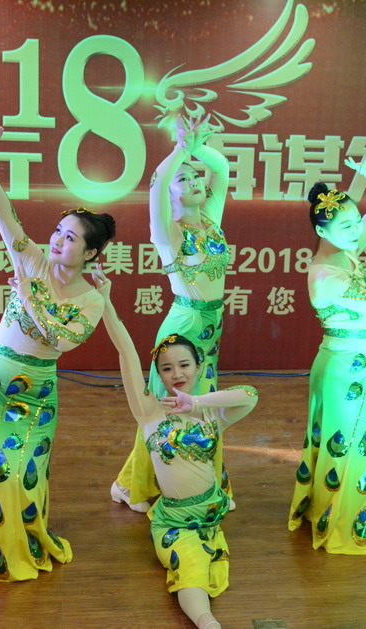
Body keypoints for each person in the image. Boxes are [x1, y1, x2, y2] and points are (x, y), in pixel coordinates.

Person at [0, 127, 116, 581]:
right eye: (58, 232)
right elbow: (4, 216)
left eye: (71, 238)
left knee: (25, 472)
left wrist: (30, 299)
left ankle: (24, 538)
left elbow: (61, 341)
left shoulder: (92, 299)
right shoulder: (31, 260)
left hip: (38, 392)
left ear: (90, 253)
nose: (58, 241)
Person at [93, 264, 257, 629]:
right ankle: (207, 623)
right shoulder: (149, 412)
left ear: (199, 366)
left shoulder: (210, 414)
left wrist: (197, 403)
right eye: (166, 368)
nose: (177, 374)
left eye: (184, 365)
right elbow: (126, 353)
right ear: (158, 374)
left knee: (200, 560)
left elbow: (250, 395)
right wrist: (107, 304)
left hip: (212, 512)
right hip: (176, 522)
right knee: (191, 568)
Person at [111, 115, 234, 512]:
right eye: (184, 179)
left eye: (196, 176)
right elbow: (157, 182)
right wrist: (180, 150)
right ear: (170, 195)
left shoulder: (211, 219)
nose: (195, 181)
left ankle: (205, 482)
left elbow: (221, 169)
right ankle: (131, 485)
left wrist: (197, 148)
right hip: (184, 326)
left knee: (203, 405)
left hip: (211, 326)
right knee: (165, 407)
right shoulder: (167, 232)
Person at [287, 156, 366, 554]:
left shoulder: (350, 246)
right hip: (342, 373)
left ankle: (339, 514)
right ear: (322, 230)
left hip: (363, 368)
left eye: (356, 221)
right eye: (346, 225)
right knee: (355, 449)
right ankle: (342, 525)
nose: (356, 229)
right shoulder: (325, 274)